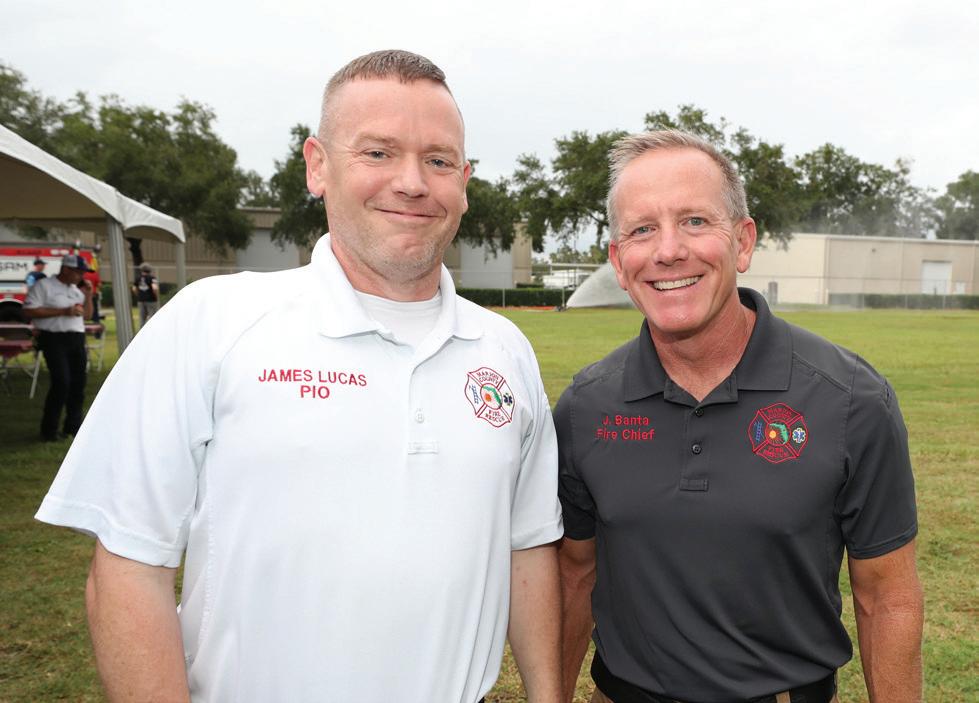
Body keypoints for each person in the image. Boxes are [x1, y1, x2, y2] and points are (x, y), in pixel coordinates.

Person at [36, 50, 563, 703]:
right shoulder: (212, 322)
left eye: (438, 160)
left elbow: (527, 547)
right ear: (318, 166)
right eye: (377, 152)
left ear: (464, 180)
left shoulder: (504, 350)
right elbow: (127, 567)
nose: (411, 182)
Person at [555, 130, 923, 703]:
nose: (668, 250)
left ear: (743, 242)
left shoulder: (851, 399)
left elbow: (887, 597)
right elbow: (573, 576)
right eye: (642, 229)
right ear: (619, 262)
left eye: (695, 221)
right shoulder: (586, 407)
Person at [23, 254, 93, 441]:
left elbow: (86, 315)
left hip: (76, 337)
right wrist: (64, 311)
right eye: (78, 272)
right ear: (66, 269)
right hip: (54, 338)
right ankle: (49, 430)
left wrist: (88, 295)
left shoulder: (75, 290)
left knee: (78, 383)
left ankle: (73, 426)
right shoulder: (44, 286)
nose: (81, 276)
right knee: (61, 382)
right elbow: (29, 310)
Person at [132, 261, 160, 327]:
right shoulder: (152, 278)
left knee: (142, 317)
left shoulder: (138, 278)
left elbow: (134, 288)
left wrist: (138, 295)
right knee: (152, 316)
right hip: (151, 300)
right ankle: (152, 329)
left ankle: (142, 330)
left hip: (141, 300)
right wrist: (155, 295)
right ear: (149, 270)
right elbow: (155, 288)